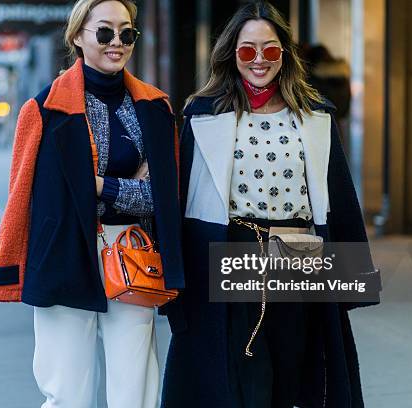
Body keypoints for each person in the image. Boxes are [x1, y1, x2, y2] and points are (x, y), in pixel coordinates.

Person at [161, 2, 381, 408]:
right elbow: (183, 201)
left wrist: (354, 277)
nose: (259, 60)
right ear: (232, 53)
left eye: (270, 50)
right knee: (241, 375)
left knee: (293, 374)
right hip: (231, 252)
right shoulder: (204, 113)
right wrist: (176, 278)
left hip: (297, 254)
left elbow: (339, 199)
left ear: (285, 54)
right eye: (247, 50)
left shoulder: (315, 116)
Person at [0, 1, 184, 407]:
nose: (117, 43)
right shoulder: (41, 110)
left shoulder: (154, 109)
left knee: (135, 391)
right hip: (63, 254)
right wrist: (9, 264)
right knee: (66, 392)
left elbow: (160, 197)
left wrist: (98, 186)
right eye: (105, 31)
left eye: (127, 33)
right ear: (77, 36)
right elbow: (21, 194)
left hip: (131, 251)